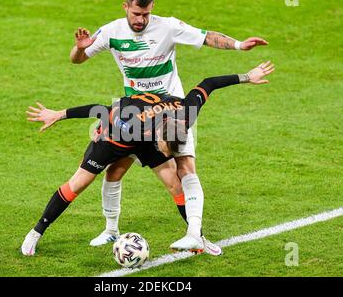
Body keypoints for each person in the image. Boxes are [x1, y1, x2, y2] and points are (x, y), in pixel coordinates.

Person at [70, 0, 269, 246]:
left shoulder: (168, 27)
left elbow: (205, 36)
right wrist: (80, 48)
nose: (141, 19)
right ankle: (111, 230)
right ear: (125, 7)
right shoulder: (110, 31)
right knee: (114, 171)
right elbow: (77, 59)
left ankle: (196, 235)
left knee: (185, 167)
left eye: (146, 14)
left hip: (171, 111)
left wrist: (239, 45)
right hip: (135, 112)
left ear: (152, 9)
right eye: (136, 13)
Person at [21, 61, 275, 256]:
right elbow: (98, 109)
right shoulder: (129, 123)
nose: (167, 154)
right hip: (113, 137)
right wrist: (58, 114)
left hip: (147, 135)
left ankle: (197, 236)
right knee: (79, 183)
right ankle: (36, 232)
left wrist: (247, 78)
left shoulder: (185, 112)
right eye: (166, 149)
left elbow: (208, 82)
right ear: (156, 135)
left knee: (175, 184)